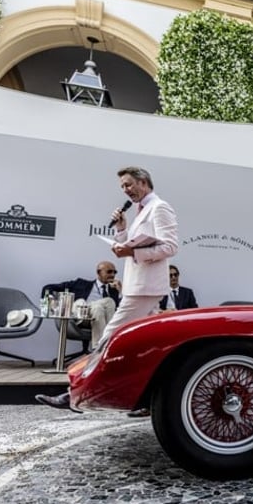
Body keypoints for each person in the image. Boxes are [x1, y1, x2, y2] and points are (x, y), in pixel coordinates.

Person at [37, 166, 178, 414]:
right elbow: (131, 247)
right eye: (122, 186)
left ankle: (73, 394)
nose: (125, 190)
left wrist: (133, 251)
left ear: (143, 182)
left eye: (128, 184)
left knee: (108, 337)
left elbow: (170, 247)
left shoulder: (159, 207)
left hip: (144, 289)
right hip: (139, 287)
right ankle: (146, 401)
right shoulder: (139, 211)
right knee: (146, 347)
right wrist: (122, 230)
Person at [40, 261, 121, 347]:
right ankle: (111, 344)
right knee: (88, 301)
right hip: (80, 315)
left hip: (98, 317)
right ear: (99, 272)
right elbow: (47, 287)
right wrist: (51, 301)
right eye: (109, 272)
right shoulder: (81, 283)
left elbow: (120, 311)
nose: (112, 275)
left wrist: (120, 292)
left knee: (101, 307)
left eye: (114, 272)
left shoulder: (114, 290)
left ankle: (98, 347)